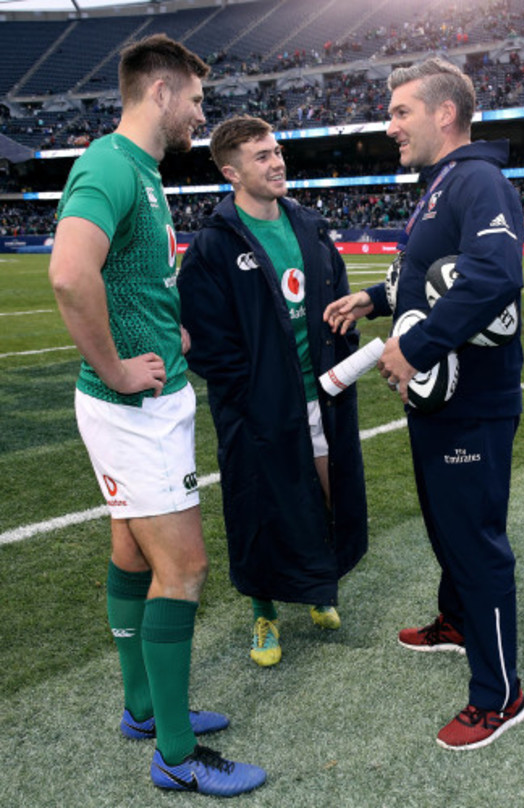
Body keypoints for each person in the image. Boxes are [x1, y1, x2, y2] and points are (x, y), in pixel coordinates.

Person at [48, 35, 266, 797]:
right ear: (163, 91)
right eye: (197, 101)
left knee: (134, 555)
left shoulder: (140, 169)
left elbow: (128, 272)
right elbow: (71, 273)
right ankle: (174, 754)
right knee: (186, 568)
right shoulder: (109, 164)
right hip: (131, 408)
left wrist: (162, 320)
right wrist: (113, 365)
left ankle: (143, 708)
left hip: (146, 401)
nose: (200, 116)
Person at [324, 56, 524, 751]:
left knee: (475, 542)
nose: (390, 127)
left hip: (471, 398)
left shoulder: (479, 179)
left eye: (400, 112)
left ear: (445, 113)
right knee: (445, 527)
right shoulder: (440, 185)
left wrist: (417, 348)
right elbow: (432, 274)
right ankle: (456, 618)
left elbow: (494, 276)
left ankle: (501, 694)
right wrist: (377, 299)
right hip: (438, 400)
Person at [176, 115, 367, 667]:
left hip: (321, 394)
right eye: (261, 156)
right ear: (231, 172)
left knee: (328, 495)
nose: (277, 161)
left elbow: (337, 296)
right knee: (259, 506)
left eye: (277, 150)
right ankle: (263, 612)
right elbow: (205, 339)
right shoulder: (214, 244)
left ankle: (316, 588)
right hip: (259, 407)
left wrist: (344, 342)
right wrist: (251, 388)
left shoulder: (309, 225)